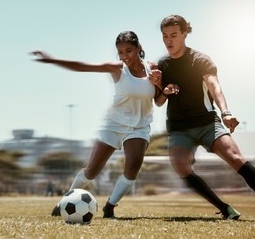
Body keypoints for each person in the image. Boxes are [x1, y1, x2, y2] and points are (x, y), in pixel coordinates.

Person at [31, 31, 165, 218]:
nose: (125, 56)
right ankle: (65, 201)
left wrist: (161, 86)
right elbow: (82, 67)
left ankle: (109, 206)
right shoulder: (117, 68)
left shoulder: (154, 69)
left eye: (129, 51)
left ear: (139, 49)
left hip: (140, 126)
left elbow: (159, 100)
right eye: (120, 52)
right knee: (92, 171)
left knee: (133, 167)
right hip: (114, 125)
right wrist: (53, 60)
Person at [157, 14, 255, 220]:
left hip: (207, 123)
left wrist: (225, 112)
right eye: (165, 36)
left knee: (236, 159)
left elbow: (214, 85)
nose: (168, 41)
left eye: (174, 35)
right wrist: (165, 90)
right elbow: (158, 101)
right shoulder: (163, 64)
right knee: (180, 165)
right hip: (179, 127)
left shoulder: (200, 59)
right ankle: (224, 208)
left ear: (185, 34)